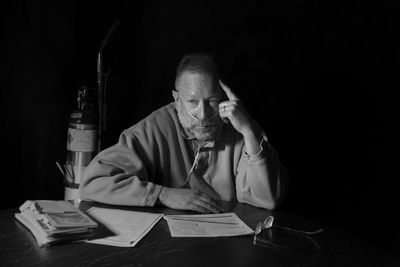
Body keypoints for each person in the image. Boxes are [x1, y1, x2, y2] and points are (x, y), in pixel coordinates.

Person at [80, 53, 288, 213]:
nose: (204, 114)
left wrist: (249, 132)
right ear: (176, 99)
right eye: (193, 102)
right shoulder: (155, 127)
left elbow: (268, 199)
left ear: (224, 98)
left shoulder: (239, 126)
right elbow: (92, 183)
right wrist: (162, 194)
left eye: (212, 101)